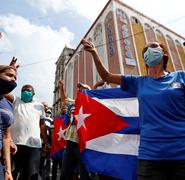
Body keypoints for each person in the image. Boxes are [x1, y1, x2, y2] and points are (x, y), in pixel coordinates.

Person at [81, 39, 185, 180]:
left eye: (153, 46)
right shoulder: (138, 82)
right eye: (145, 50)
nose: (149, 50)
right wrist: (94, 53)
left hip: (180, 153)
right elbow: (107, 76)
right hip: (150, 155)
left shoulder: (180, 76)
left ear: (164, 53)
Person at [6, 84, 49, 180]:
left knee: (31, 174)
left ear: (33, 93)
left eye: (28, 90)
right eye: (23, 90)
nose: (25, 92)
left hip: (33, 146)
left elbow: (42, 125)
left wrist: (46, 143)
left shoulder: (39, 106)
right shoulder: (16, 100)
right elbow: (4, 92)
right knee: (11, 172)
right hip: (14, 145)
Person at [58, 80, 91, 180]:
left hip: (82, 143)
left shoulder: (91, 104)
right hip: (70, 142)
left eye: (83, 88)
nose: (80, 90)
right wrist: (61, 87)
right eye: (79, 88)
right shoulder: (73, 103)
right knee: (65, 171)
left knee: (84, 172)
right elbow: (64, 99)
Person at [0, 57, 18, 180]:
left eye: (15, 78)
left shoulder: (8, 104)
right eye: (10, 75)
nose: (13, 80)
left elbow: (6, 136)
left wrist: (8, 170)